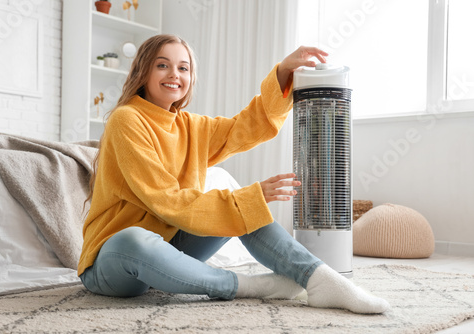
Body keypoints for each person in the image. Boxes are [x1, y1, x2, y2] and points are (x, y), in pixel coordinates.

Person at [78, 34, 390, 314]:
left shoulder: (191, 126)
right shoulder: (126, 119)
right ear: (143, 72)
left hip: (170, 244)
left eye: (183, 68)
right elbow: (166, 201)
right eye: (163, 65)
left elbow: (245, 127)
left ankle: (320, 278)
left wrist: (282, 72)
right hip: (113, 261)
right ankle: (251, 286)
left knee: (243, 210)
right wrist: (250, 197)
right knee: (137, 238)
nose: (174, 74)